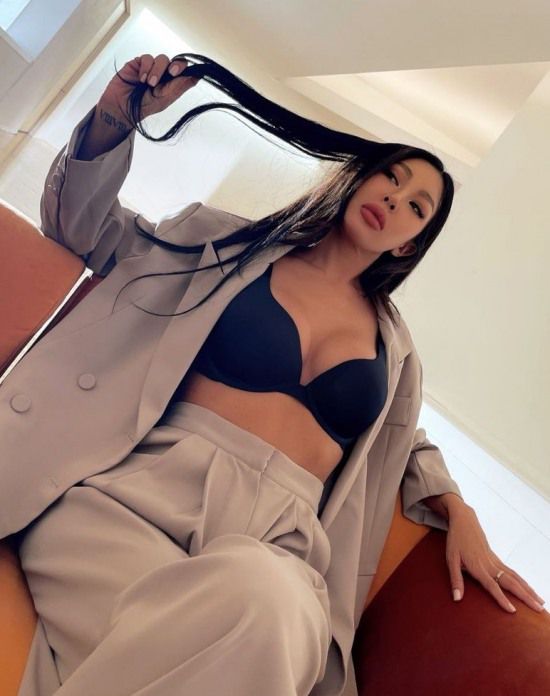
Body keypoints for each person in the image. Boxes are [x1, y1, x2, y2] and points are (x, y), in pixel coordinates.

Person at [7, 53, 545, 696]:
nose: (394, 198)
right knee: (221, 647)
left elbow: (405, 443)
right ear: (359, 179)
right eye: (391, 177)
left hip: (280, 546)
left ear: (409, 243)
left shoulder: (397, 354)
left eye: (416, 206)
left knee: (272, 600)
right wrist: (113, 119)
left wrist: (459, 510)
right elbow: (80, 228)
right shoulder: (217, 245)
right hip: (136, 502)